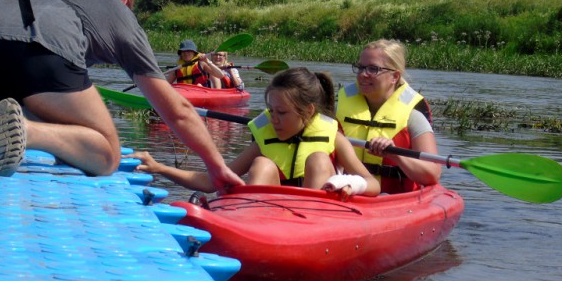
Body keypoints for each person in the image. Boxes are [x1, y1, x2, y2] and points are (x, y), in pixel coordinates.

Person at [0, 0, 244, 191]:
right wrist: (217, 167)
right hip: (39, 40)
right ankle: (25, 130)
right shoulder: (119, 13)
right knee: (107, 154)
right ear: (127, 2)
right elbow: (177, 111)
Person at [129, 67, 380, 198]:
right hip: (269, 219)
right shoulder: (264, 141)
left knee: (317, 159)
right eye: (271, 110)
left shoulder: (334, 138)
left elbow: (372, 185)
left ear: (308, 111)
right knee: (262, 164)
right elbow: (212, 180)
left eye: (282, 113)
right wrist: (160, 168)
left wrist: (347, 183)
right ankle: (251, 219)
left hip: (318, 220)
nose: (274, 120)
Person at [336, 39, 440, 193]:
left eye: (373, 69)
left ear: (395, 77)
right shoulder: (339, 108)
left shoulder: (414, 116)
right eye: (360, 67)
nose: (363, 74)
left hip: (394, 199)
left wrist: (395, 154)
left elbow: (432, 174)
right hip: (346, 191)